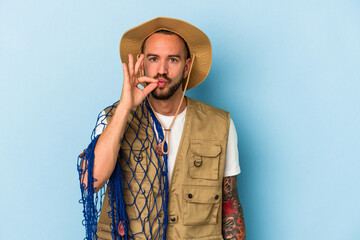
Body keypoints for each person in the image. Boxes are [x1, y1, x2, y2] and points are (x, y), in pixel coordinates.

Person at [78, 17, 246, 240]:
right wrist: (125, 107)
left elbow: (229, 201)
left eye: (173, 60)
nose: (162, 70)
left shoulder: (220, 124)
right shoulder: (112, 117)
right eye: (154, 59)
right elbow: (91, 181)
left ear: (187, 67)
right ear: (142, 64)